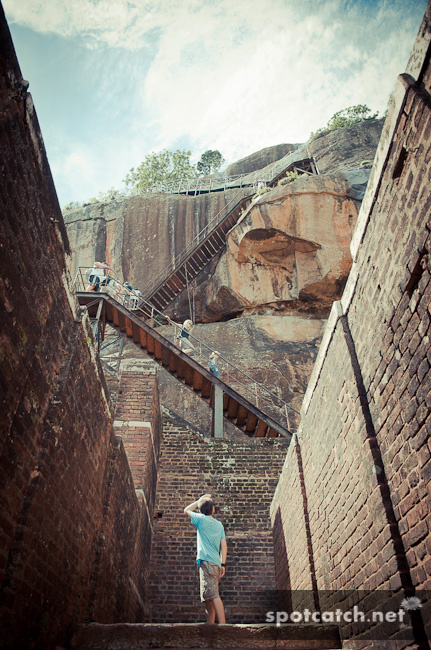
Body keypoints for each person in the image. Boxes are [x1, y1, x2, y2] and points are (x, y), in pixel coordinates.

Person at [184, 494, 227, 624]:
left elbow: (186, 510)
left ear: (201, 510)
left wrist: (198, 501)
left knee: (213, 595)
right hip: (216, 563)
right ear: (213, 509)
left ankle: (224, 625)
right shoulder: (219, 525)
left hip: (206, 562)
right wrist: (223, 564)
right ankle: (210, 625)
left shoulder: (200, 520)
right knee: (208, 596)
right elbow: (223, 546)